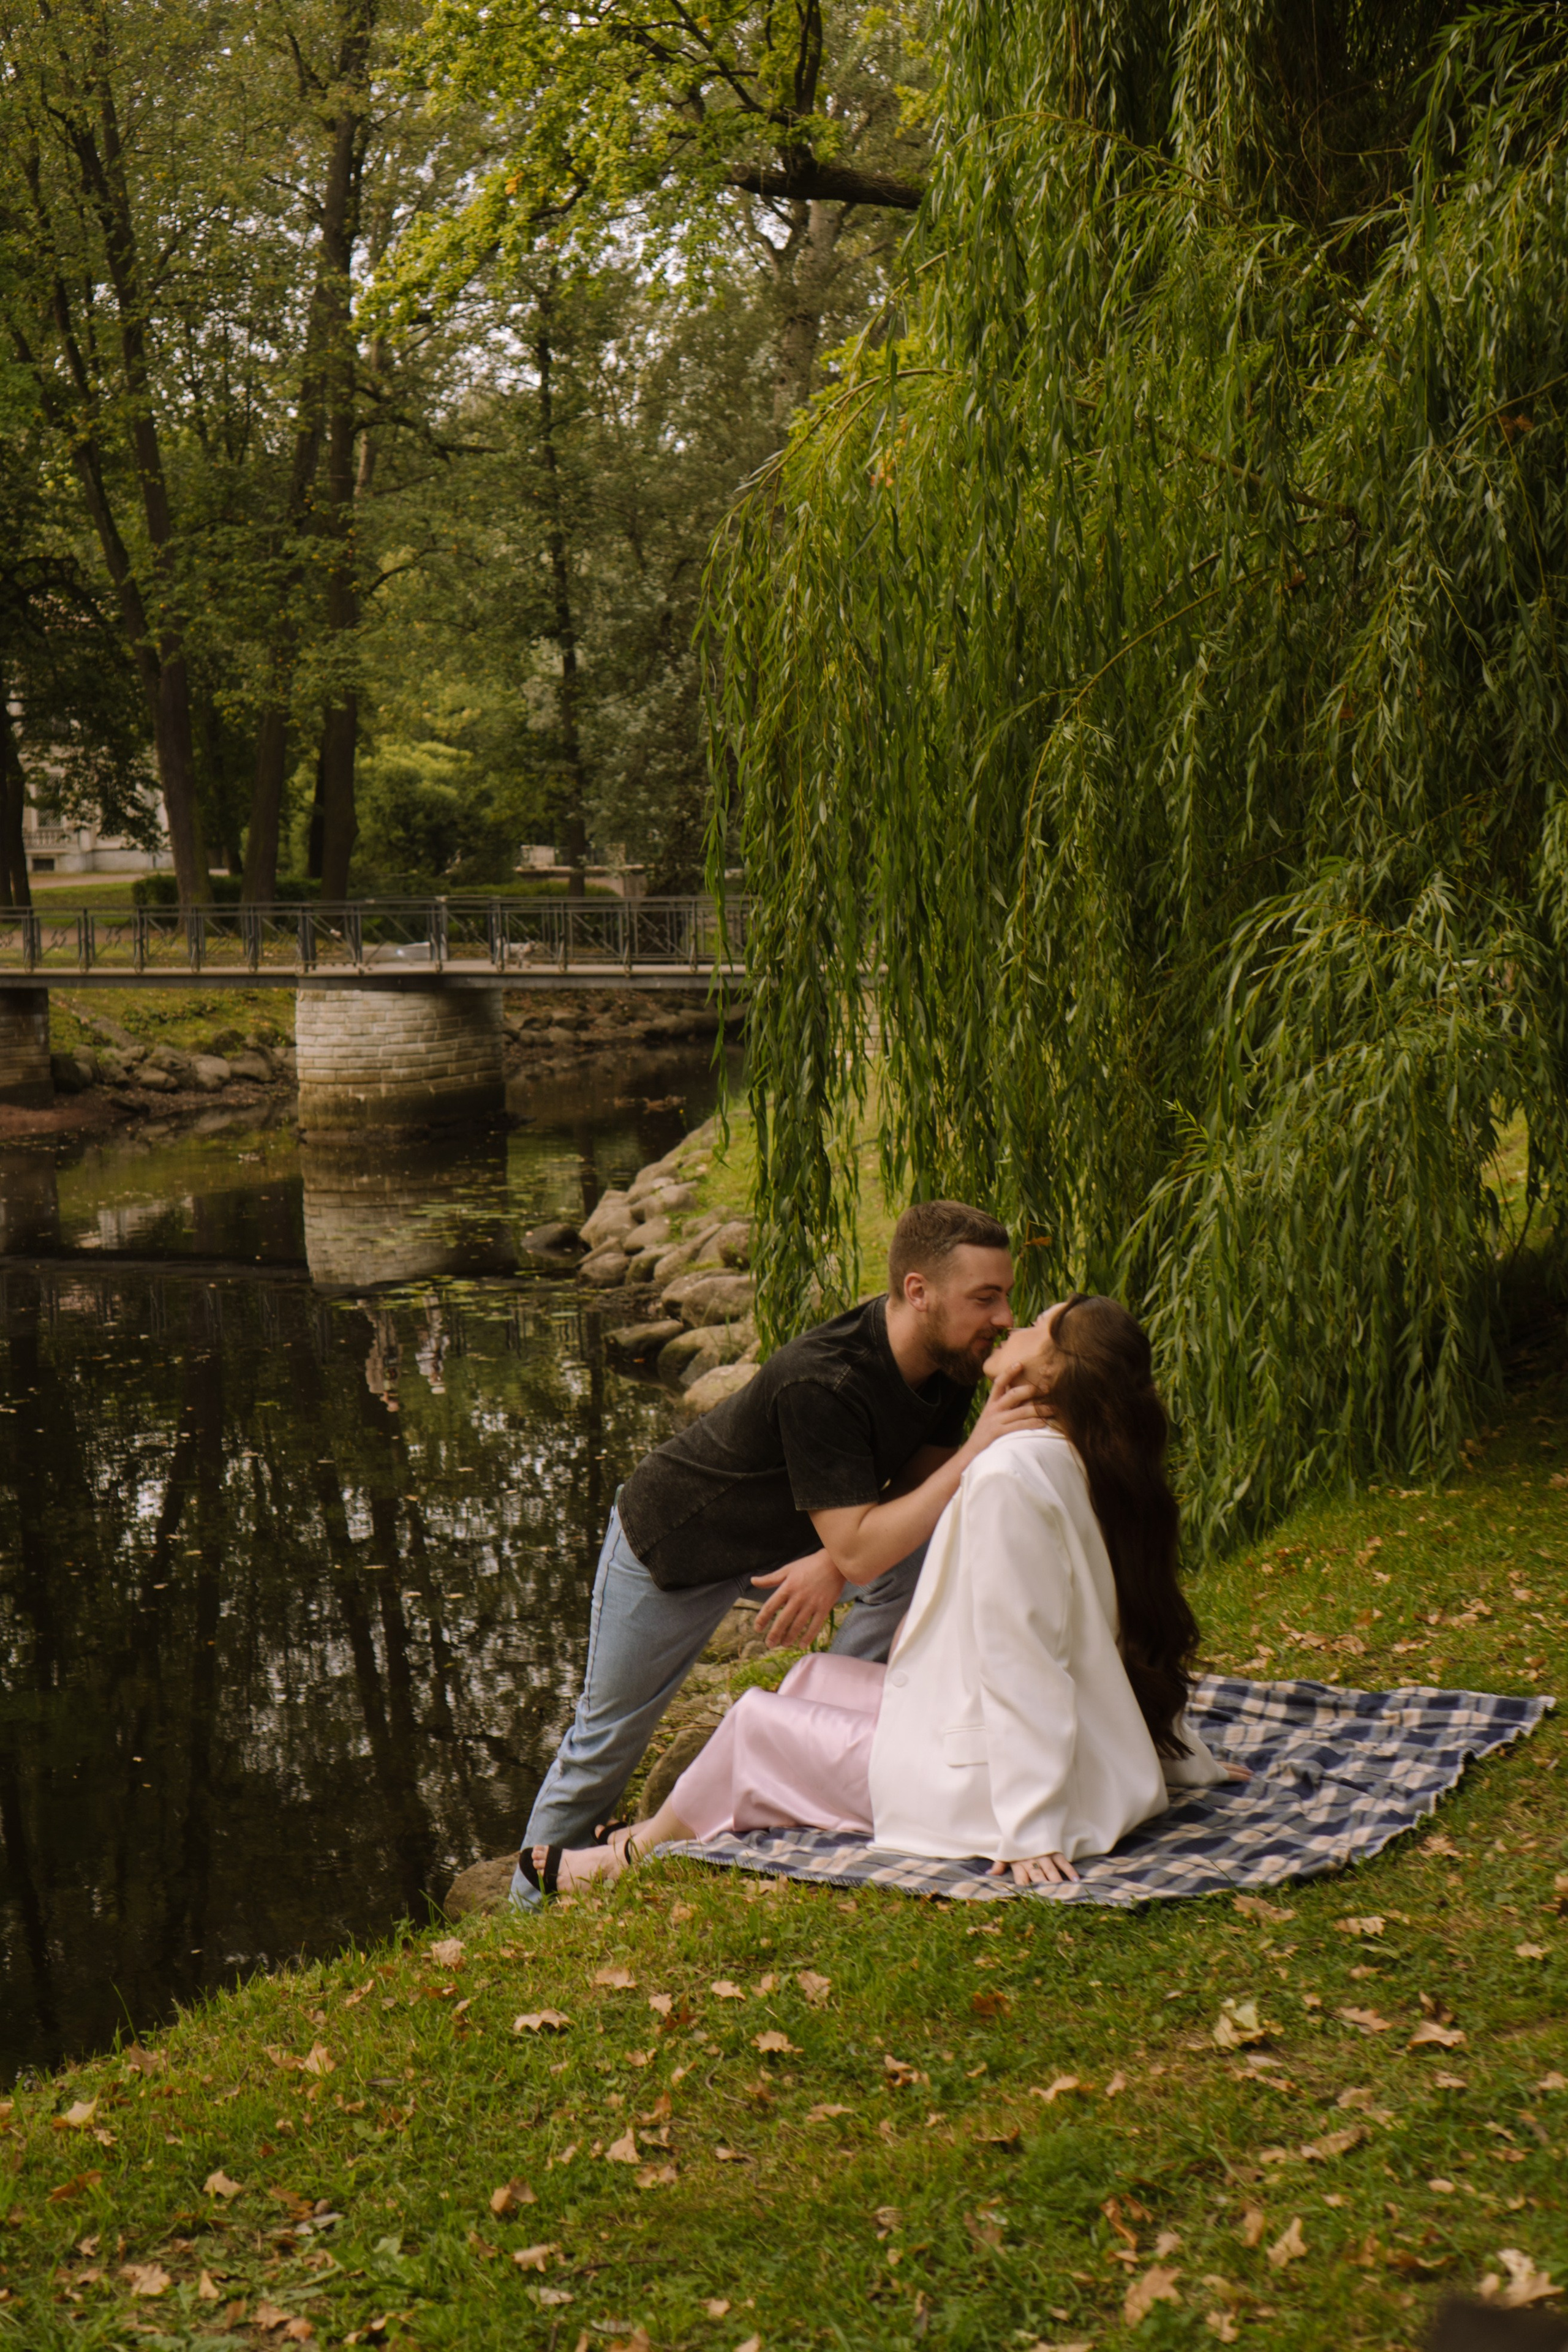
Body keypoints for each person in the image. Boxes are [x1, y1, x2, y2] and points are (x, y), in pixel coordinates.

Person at [545, 1294, 1242, 1894]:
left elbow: (1021, 1657)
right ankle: (648, 1832)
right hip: (1043, 1742)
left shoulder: (1010, 1476)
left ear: (1053, 1372)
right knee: (812, 1675)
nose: (1012, 1324)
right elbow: (1134, 1627)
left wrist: (1030, 1827)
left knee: (755, 1723)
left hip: (989, 1786)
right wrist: (1180, 1759)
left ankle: (627, 1856)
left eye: (1036, 1327)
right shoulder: (1089, 1453)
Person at [514, 1200, 1049, 1904]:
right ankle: (525, 1908)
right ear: (918, 1292)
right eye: (985, 1297)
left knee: (915, 1556)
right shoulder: (823, 1381)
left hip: (796, 1542)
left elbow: (919, 1492)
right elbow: (876, 1537)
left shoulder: (947, 1363)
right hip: (673, 1550)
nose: (1005, 1317)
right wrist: (965, 1459)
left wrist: (837, 1559)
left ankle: (823, 1751)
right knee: (604, 1743)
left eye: (1004, 1296)